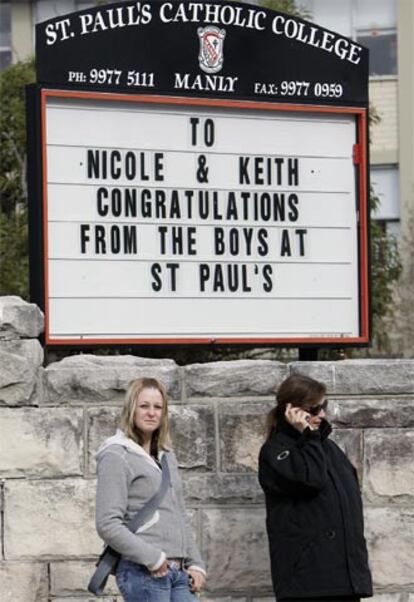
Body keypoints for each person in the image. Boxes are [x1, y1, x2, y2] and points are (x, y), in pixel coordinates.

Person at [258, 374, 373, 602]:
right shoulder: (276, 450)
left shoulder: (327, 448)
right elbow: (310, 480)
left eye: (324, 406)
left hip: (344, 578)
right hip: (308, 582)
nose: (321, 414)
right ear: (292, 409)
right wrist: (308, 437)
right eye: (314, 408)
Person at [95, 377, 206, 601]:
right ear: (131, 409)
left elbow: (180, 515)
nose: (151, 413)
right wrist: (152, 558)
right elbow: (107, 524)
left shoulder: (166, 457)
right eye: (144, 406)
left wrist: (195, 563)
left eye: (158, 407)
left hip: (179, 573)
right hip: (143, 571)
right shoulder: (116, 454)